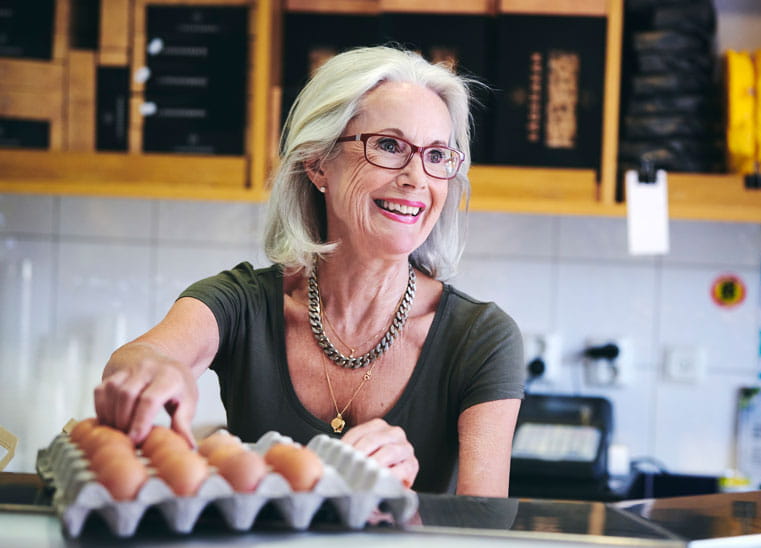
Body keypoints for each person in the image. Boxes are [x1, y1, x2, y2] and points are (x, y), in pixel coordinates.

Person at [94, 46, 524, 496]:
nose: (417, 177)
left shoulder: (481, 338)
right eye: (389, 146)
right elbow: (139, 359)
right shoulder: (241, 303)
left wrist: (404, 499)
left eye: (437, 156)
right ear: (317, 163)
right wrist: (152, 373)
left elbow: (482, 527)